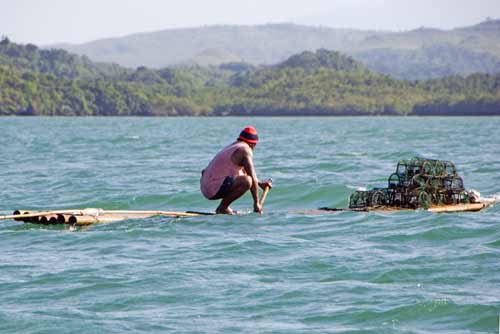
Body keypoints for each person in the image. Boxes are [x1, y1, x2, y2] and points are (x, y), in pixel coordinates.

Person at [200, 126, 272, 214]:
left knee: (245, 177)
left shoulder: (234, 146)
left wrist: (260, 184)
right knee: (247, 181)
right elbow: (251, 176)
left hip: (205, 187)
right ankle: (223, 208)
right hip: (212, 188)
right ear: (253, 145)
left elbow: (244, 173)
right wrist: (256, 203)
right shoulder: (245, 150)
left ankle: (224, 207)